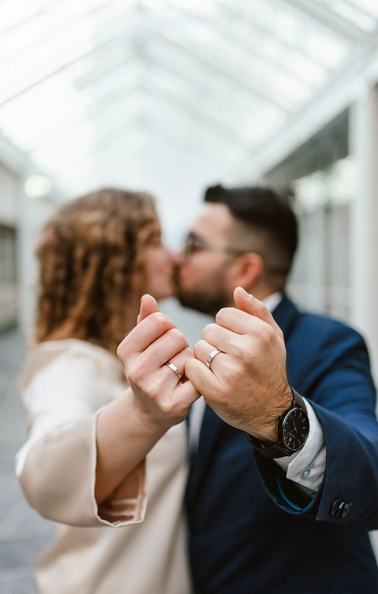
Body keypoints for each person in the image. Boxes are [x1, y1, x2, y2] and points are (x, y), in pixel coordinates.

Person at [117, 185, 378, 594]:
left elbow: (371, 476)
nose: (177, 257)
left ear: (244, 271)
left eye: (193, 244)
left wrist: (277, 416)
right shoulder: (196, 343)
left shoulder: (328, 342)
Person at [15, 188, 199, 594]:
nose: (173, 256)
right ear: (114, 261)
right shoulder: (67, 364)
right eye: (154, 241)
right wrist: (145, 415)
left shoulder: (112, 357)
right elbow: (40, 474)